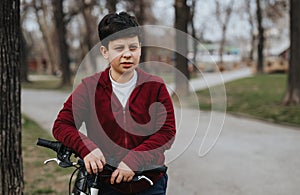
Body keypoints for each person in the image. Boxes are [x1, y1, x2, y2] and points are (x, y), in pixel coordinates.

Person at [52, 11, 176, 194]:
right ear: (105, 51)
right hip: (105, 184)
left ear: (140, 48)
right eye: (119, 48)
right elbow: (62, 125)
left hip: (149, 183)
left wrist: (134, 160)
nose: (127, 55)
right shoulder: (89, 88)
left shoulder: (155, 86)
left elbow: (167, 132)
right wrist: (87, 149)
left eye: (133, 48)